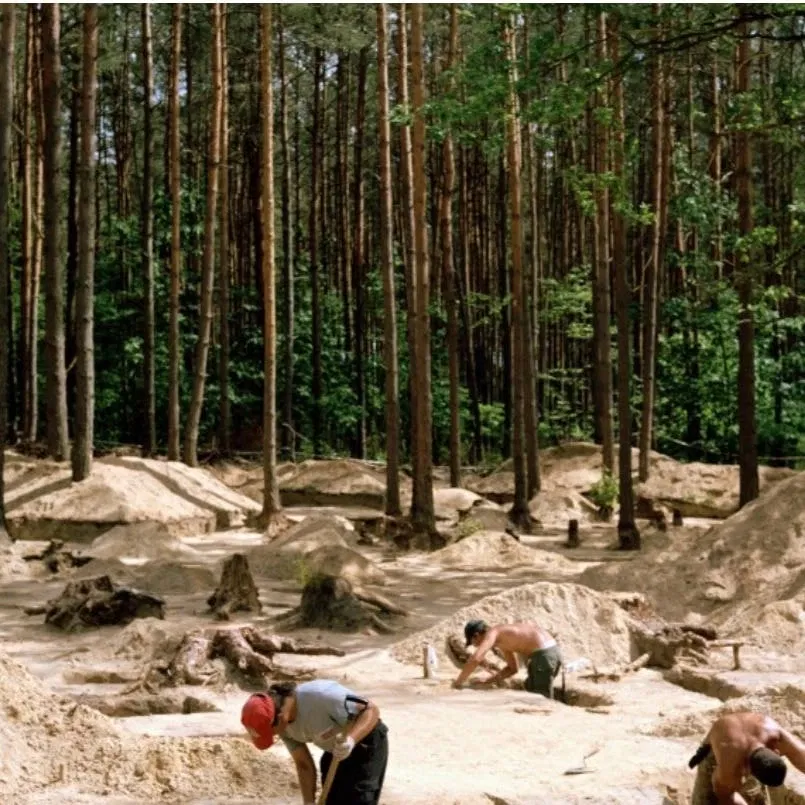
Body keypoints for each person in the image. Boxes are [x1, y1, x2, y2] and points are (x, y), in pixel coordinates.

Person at [241, 679, 388, 805]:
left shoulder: (321, 696)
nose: (275, 735)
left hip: (365, 741)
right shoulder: (282, 726)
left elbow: (371, 710)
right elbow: (303, 764)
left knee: (359, 799)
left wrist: (351, 740)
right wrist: (309, 802)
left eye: (272, 732)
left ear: (280, 717)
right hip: (334, 750)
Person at [689, 711, 805, 804]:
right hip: (714, 753)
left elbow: (801, 756)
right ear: (748, 770)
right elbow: (725, 796)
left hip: (744, 742)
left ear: (776, 751)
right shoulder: (729, 761)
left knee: (755, 796)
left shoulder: (771, 728)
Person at [452, 619, 562, 698]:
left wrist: (458, 683)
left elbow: (476, 659)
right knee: (530, 688)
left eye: (473, 642)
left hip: (544, 655)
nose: (475, 646)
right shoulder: (503, 637)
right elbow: (512, 669)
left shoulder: (493, 633)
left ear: (476, 635)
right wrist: (488, 680)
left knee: (540, 698)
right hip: (547, 653)